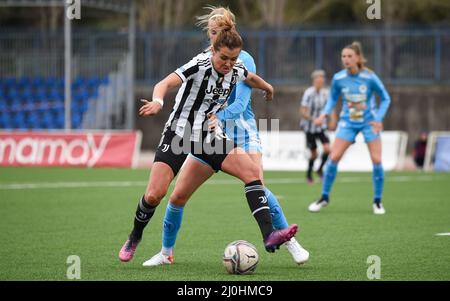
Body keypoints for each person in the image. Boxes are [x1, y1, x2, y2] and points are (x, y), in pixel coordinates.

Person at [120, 19, 298, 264]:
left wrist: (267, 87)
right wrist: (158, 102)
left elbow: (251, 78)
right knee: (154, 195)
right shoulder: (199, 64)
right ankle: (135, 236)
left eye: (233, 59)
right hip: (180, 133)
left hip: (208, 136)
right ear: (213, 50)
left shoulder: (236, 69)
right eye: (224, 58)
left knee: (251, 172)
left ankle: (269, 235)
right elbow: (164, 83)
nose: (228, 64)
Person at [308, 41, 391, 215]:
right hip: (347, 123)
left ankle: (377, 201)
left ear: (358, 58)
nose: (346, 59)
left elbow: (385, 98)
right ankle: (324, 197)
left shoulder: (369, 77)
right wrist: (324, 114)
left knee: (376, 160)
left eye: (349, 56)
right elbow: (332, 99)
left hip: (369, 122)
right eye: (343, 56)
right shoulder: (339, 78)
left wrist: (378, 118)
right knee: (334, 156)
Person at [300, 69, 334, 184]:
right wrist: (313, 119)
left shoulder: (326, 93)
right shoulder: (308, 93)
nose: (320, 81)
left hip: (321, 127)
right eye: (318, 79)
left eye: (322, 79)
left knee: (328, 149)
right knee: (314, 153)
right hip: (309, 128)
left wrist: (333, 119)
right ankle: (309, 173)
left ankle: (320, 169)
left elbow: (330, 108)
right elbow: (303, 111)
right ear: (314, 81)